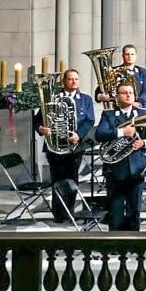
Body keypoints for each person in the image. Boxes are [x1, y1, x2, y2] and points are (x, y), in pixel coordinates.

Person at [34, 69, 95, 222]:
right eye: (70, 79)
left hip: (75, 147)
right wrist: (42, 128)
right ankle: (58, 214)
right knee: (57, 179)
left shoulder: (86, 99)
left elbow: (89, 120)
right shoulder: (53, 97)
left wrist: (78, 135)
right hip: (54, 146)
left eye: (76, 79)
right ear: (64, 81)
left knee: (72, 178)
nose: (74, 82)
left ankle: (70, 210)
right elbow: (38, 120)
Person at [95, 81, 146, 230]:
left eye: (130, 93)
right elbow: (100, 134)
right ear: (117, 97)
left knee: (135, 210)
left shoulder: (142, 114)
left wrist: (144, 143)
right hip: (115, 169)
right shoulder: (108, 114)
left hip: (137, 168)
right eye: (124, 93)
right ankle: (115, 244)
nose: (128, 95)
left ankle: (134, 245)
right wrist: (122, 132)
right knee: (116, 210)